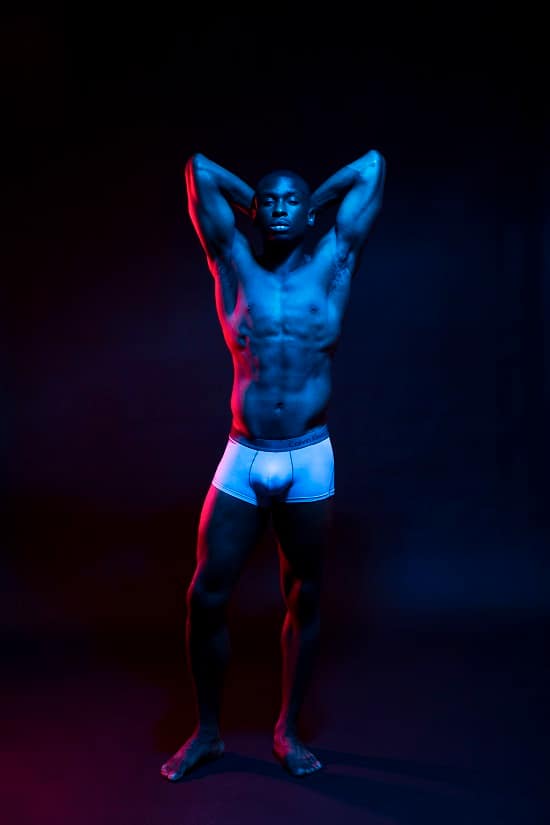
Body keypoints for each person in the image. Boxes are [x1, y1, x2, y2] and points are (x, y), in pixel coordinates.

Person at [160, 147, 386, 781]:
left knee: (304, 595)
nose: (281, 209)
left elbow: (371, 166)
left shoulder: (335, 260)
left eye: (293, 201)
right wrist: (258, 206)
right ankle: (208, 733)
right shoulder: (232, 261)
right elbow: (199, 169)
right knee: (206, 596)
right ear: (254, 211)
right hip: (245, 454)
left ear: (311, 212)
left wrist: (310, 206)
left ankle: (287, 730)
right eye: (270, 201)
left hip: (309, 457)